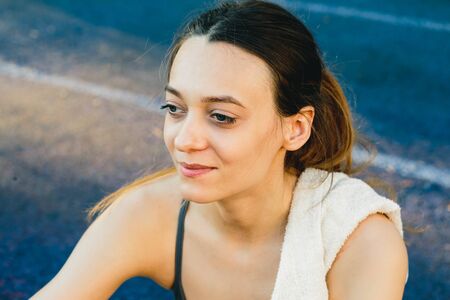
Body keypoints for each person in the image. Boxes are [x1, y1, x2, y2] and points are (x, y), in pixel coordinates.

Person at [31, 0, 408, 299]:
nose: (185, 140)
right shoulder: (150, 215)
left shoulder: (360, 244)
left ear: (295, 129)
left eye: (222, 117)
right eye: (175, 109)